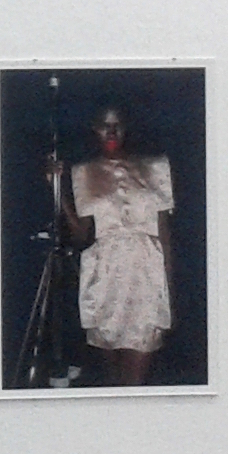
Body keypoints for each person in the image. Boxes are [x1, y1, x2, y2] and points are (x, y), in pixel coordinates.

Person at [54, 105, 173, 385]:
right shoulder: (84, 172)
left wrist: (169, 292)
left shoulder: (155, 167)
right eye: (104, 125)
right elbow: (81, 236)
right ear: (94, 129)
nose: (111, 132)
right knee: (112, 378)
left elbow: (165, 235)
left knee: (138, 371)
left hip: (146, 277)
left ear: (126, 127)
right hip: (104, 278)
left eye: (117, 125)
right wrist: (57, 191)